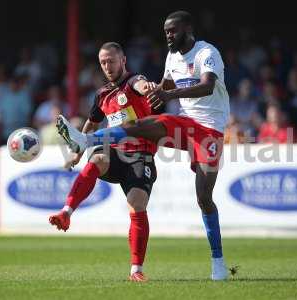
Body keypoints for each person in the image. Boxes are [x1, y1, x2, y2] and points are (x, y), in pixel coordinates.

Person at [56, 11, 229, 281]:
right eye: (166, 32)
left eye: (173, 31)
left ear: (187, 29)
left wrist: (161, 91)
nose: (168, 36)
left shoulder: (207, 53)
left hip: (210, 131)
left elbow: (207, 87)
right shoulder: (171, 59)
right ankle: (86, 142)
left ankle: (218, 261)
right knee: (142, 124)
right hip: (184, 123)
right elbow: (160, 89)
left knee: (204, 198)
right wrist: (154, 90)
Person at [49, 42, 158, 282]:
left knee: (137, 205)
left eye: (111, 61)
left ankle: (136, 270)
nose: (107, 66)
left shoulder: (133, 81)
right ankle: (66, 212)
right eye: (103, 62)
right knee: (98, 157)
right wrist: (78, 152)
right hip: (116, 153)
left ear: (123, 60)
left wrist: (147, 86)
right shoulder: (102, 94)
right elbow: (93, 122)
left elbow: (141, 85)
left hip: (141, 155)